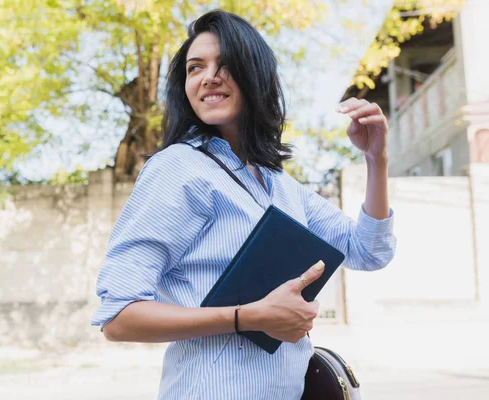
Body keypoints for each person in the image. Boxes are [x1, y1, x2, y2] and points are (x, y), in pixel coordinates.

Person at [91, 9, 396, 400]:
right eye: (195, 67)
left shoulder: (279, 183)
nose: (208, 77)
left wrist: (377, 160)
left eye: (226, 64)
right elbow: (119, 317)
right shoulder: (178, 169)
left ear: (257, 77)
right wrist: (249, 317)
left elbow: (369, 250)